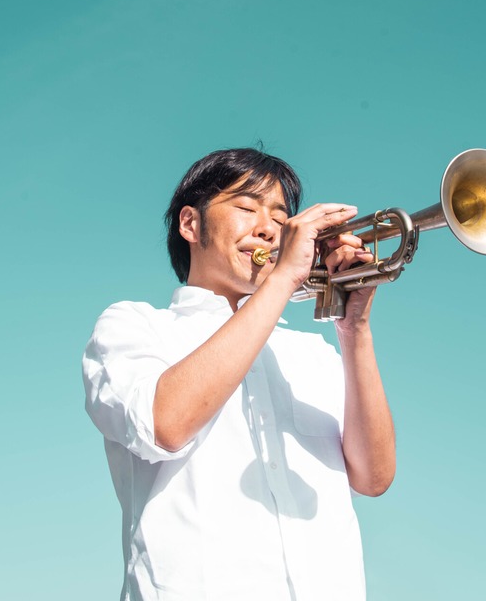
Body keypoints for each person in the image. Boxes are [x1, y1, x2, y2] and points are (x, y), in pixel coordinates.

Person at [82, 147, 396, 601]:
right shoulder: (133, 326)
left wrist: (355, 328)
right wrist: (283, 280)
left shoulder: (313, 351)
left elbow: (374, 477)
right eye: (246, 208)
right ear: (190, 224)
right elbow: (164, 425)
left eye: (280, 216)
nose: (269, 228)